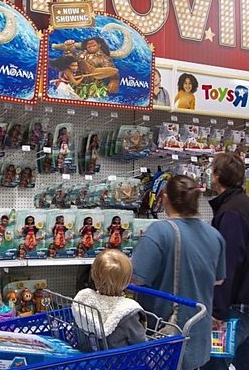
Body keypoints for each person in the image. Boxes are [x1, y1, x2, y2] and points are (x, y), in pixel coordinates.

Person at [132, 175, 226, 370]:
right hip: (198, 339)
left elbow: (135, 279)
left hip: (163, 338)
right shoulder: (215, 235)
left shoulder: (159, 232)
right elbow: (218, 281)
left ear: (165, 197)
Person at [202, 153, 249, 370]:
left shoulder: (231, 212)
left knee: (215, 362)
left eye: (211, 170)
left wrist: (217, 311)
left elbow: (229, 263)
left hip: (236, 306)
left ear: (218, 175)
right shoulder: (241, 205)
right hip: (243, 302)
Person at [73, 250, 146, 350]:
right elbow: (140, 343)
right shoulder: (128, 311)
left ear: (93, 276)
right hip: (120, 359)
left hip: (87, 355)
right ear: (127, 281)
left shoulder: (84, 302)